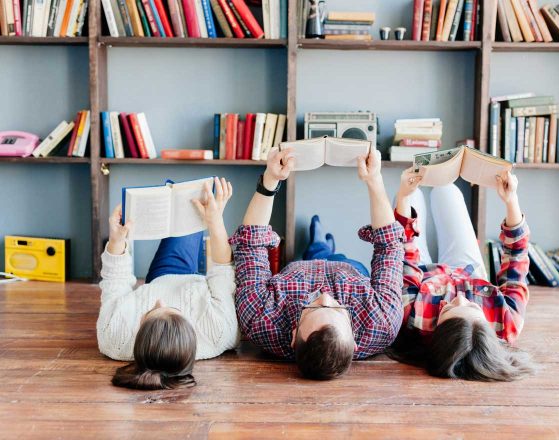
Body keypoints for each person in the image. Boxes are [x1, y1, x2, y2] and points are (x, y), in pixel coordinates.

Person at [229, 146, 405, 380]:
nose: (324, 295)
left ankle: (317, 245)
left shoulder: (260, 321)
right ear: (354, 341)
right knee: (335, 257)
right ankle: (322, 245)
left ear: (293, 337)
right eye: (336, 309)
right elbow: (389, 245)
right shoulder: (382, 322)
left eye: (312, 307)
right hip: (347, 269)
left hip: (296, 271)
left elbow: (250, 244)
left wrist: (270, 180)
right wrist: (374, 180)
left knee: (310, 256)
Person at [388, 168, 534, 381]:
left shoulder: (412, 318)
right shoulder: (507, 324)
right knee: (446, 189)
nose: (459, 299)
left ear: (435, 335)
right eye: (473, 306)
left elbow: (403, 254)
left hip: (423, 272)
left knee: (412, 196)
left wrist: (402, 196)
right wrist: (511, 200)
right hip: (469, 271)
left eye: (447, 309)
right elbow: (516, 260)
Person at [97, 177, 241, 390]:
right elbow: (222, 268)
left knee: (180, 198)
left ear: (139, 330)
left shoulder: (113, 337)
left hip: (166, 274)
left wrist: (117, 240)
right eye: (171, 308)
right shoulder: (219, 331)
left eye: (151, 311)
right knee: (197, 204)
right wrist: (215, 221)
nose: (159, 300)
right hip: (202, 288)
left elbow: (114, 279)